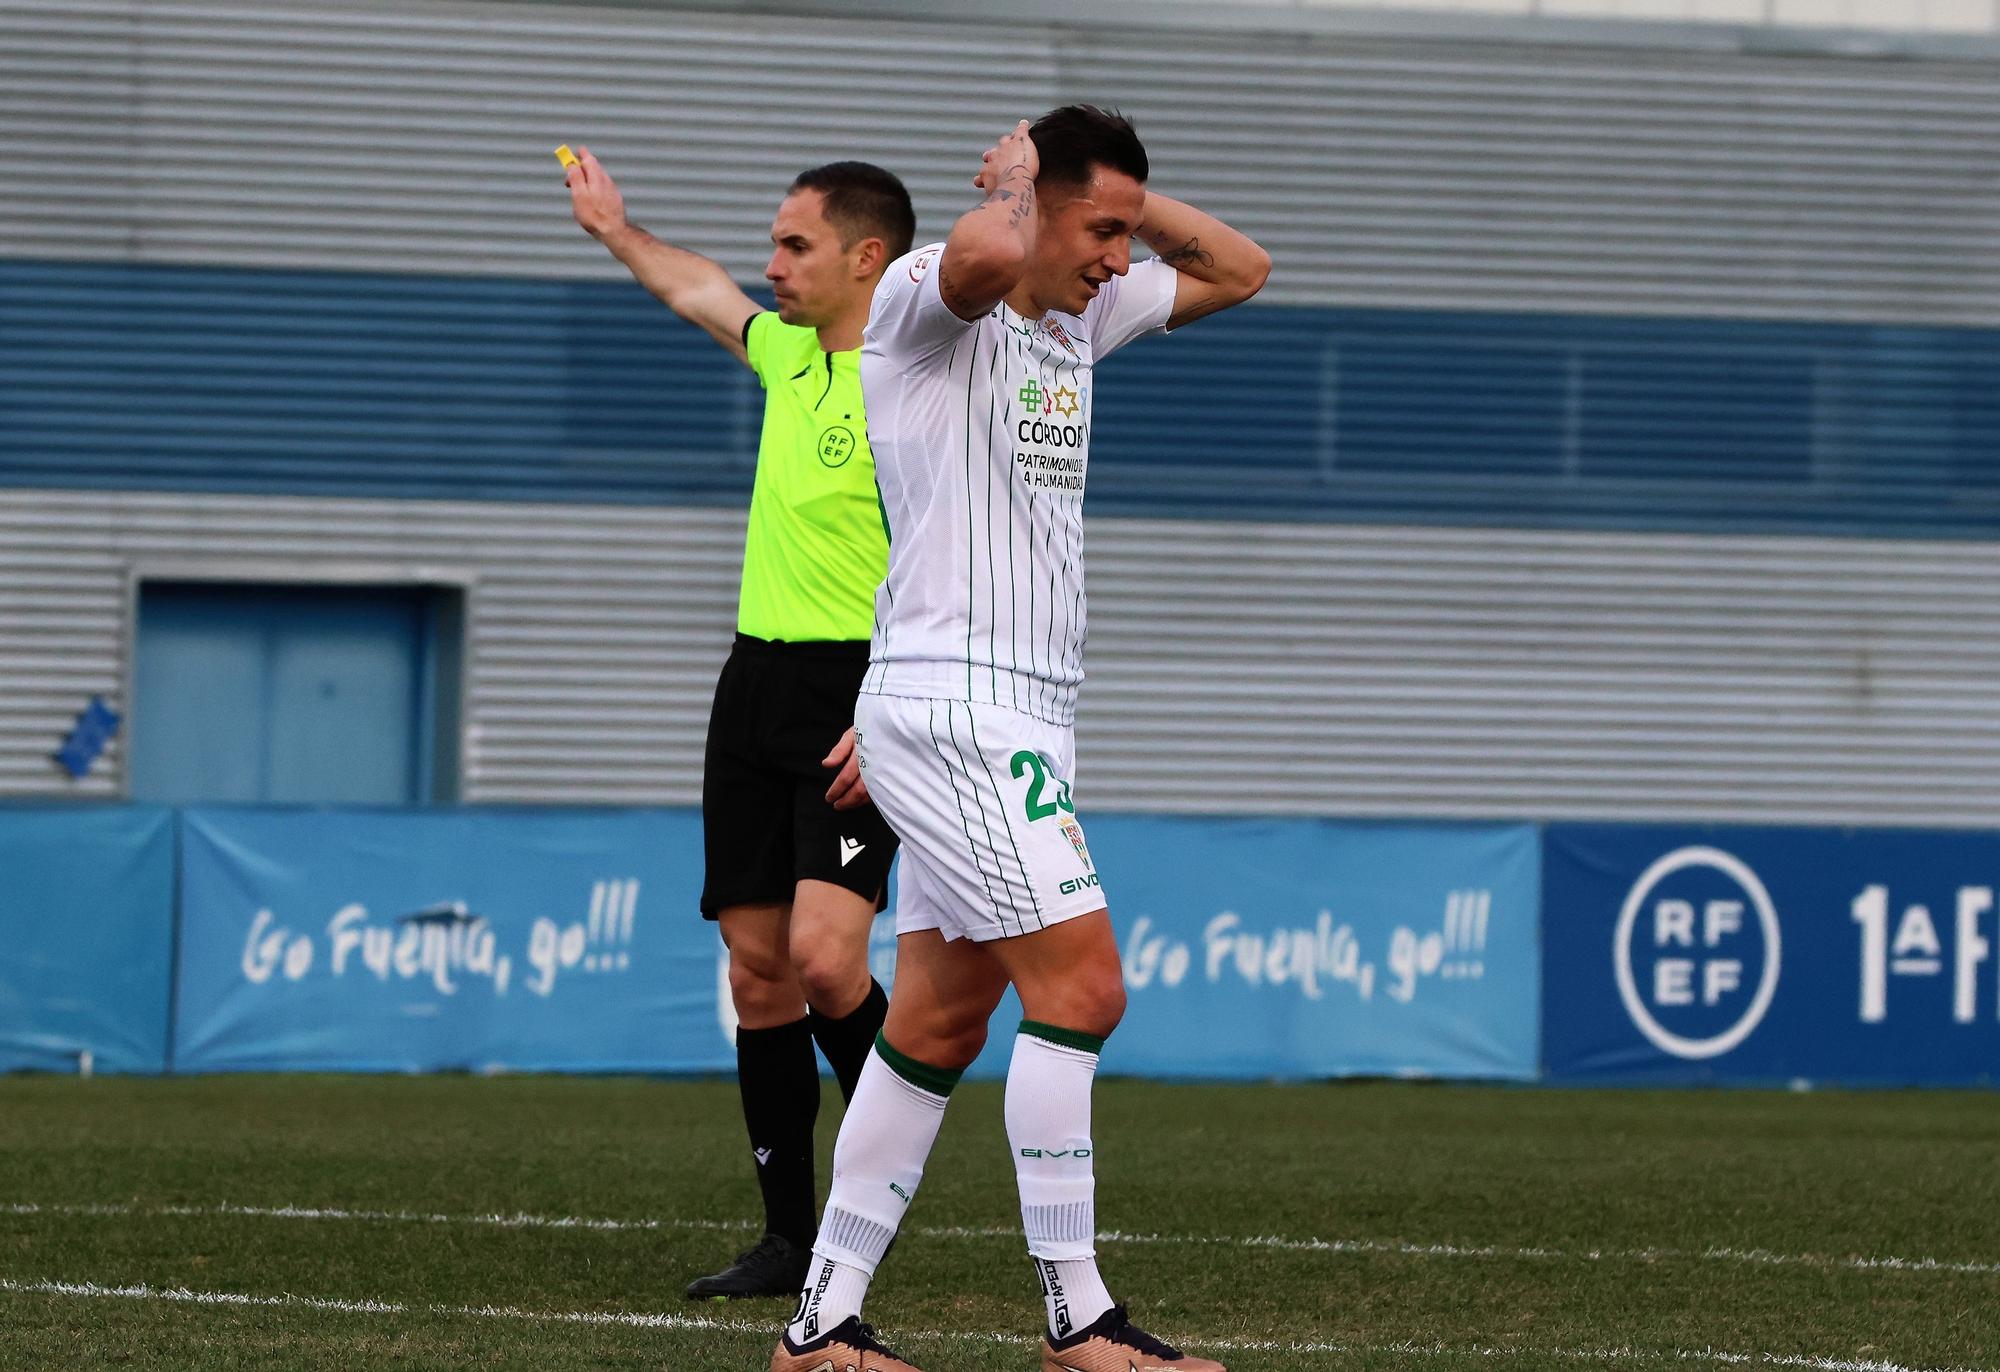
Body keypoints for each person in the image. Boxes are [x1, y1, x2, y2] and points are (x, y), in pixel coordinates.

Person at [772, 107, 1270, 1372]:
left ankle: (818, 1329)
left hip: (1006, 713)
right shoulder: (917, 303)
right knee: (1084, 990)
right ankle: (1077, 1322)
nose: (1118, 257)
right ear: (1028, 202)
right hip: (964, 712)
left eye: (1125, 233)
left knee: (937, 1025)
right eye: (1097, 229)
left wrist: (1120, 204)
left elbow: (1239, 268)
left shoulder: (1076, 321)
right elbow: (988, 256)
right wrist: (1014, 184)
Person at [564, 147, 914, 1300]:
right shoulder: (788, 354)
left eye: (794, 245)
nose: (772, 264)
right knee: (758, 973)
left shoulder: (919, 382)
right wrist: (615, 230)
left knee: (825, 959)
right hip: (753, 683)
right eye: (772, 243)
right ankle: (787, 1241)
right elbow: (695, 287)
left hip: (858, 693)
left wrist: (897, 704)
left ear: (867, 257)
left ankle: (893, 1154)